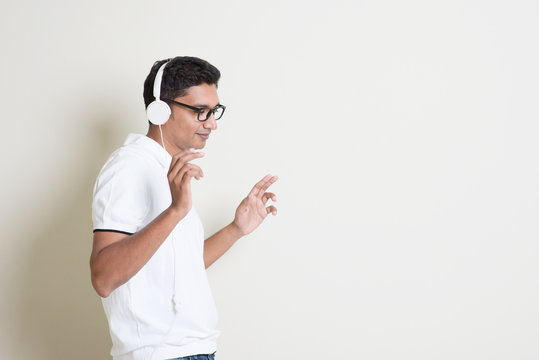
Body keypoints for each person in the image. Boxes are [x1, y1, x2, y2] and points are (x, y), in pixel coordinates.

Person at [90, 56, 278, 360]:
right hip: (161, 355)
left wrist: (235, 230)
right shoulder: (128, 167)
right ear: (160, 109)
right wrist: (175, 211)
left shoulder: (167, 168)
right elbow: (103, 278)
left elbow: (180, 266)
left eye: (214, 111)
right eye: (200, 112)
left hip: (195, 351)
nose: (212, 123)